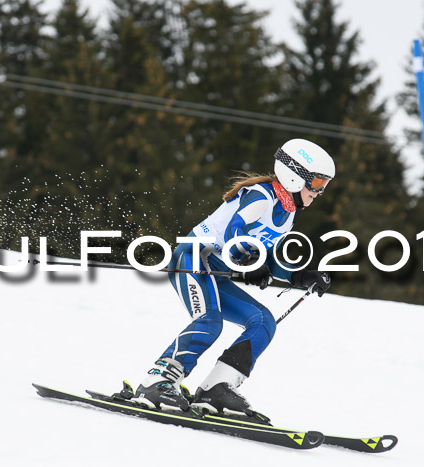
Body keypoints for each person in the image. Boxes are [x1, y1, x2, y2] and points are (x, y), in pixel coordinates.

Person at [132, 138, 334, 416]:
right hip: (192, 258)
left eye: (324, 186)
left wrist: (300, 276)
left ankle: (216, 388)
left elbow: (271, 258)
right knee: (210, 320)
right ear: (295, 177)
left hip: (217, 272)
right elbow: (234, 231)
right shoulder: (261, 196)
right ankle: (157, 381)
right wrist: (250, 262)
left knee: (263, 321)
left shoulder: (287, 213)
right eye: (318, 184)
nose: (319, 192)